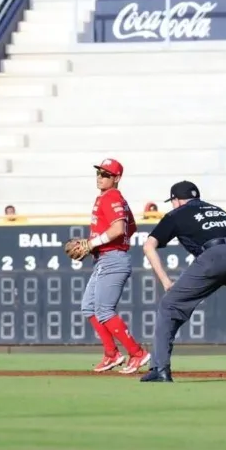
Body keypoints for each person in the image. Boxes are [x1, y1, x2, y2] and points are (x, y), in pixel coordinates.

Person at [141, 181, 226, 383]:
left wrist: (165, 280)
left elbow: (148, 246)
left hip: (216, 255)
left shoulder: (176, 214)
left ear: (176, 200)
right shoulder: (218, 211)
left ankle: (159, 369)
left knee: (169, 305)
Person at [79, 158, 151, 374]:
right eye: (99, 173)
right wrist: (101, 245)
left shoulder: (112, 196)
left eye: (106, 174)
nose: (100, 177)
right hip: (106, 257)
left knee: (104, 310)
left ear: (117, 178)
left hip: (112, 259)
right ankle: (112, 354)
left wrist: (93, 243)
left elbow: (119, 228)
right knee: (88, 307)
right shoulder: (110, 197)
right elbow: (132, 227)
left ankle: (137, 353)